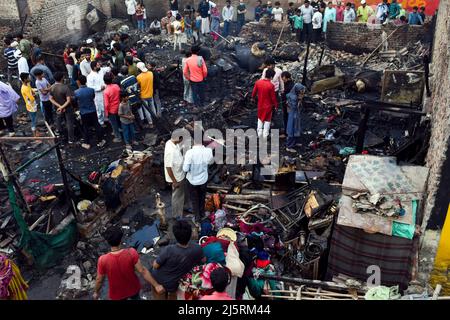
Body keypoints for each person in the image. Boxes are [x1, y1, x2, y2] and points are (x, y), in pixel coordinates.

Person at [94, 226, 163, 300]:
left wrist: (96, 292)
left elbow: (99, 280)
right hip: (133, 288)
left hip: (117, 294)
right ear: (121, 239)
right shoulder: (131, 252)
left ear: (108, 242)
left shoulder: (103, 260)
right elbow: (142, 271)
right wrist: (156, 285)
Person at [151, 219, 204, 299]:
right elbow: (203, 260)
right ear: (190, 234)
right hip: (174, 284)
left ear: (175, 235)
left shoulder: (169, 250)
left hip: (159, 281)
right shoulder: (197, 248)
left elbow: (155, 266)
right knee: (173, 296)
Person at [183, 137, 214, 221]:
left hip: (192, 181)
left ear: (194, 142)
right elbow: (210, 162)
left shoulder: (189, 153)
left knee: (194, 199)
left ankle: (197, 217)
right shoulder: (208, 151)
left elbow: (185, 169)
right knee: (202, 197)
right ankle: (202, 213)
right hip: (203, 180)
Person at [74, 75, 105, 149]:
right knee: (97, 125)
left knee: (86, 127)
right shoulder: (91, 90)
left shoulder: (76, 92)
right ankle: (100, 140)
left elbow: (75, 101)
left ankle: (87, 143)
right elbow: (93, 97)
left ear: (78, 82)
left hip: (84, 112)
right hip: (92, 110)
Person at [164, 134, 188, 219]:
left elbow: (178, 149)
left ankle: (180, 210)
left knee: (180, 195)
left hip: (179, 173)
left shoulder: (172, 143)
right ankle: (176, 215)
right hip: (177, 178)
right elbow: (168, 167)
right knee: (177, 196)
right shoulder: (171, 151)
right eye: (181, 139)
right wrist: (174, 181)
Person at [50, 72, 75, 143]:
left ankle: (59, 135)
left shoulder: (52, 87)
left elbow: (51, 98)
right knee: (69, 123)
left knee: (59, 120)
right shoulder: (65, 87)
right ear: (62, 78)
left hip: (58, 108)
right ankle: (71, 139)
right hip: (67, 108)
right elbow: (68, 100)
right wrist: (62, 107)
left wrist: (59, 106)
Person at [252, 68, 277, 139]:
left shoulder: (258, 82)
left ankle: (259, 134)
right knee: (267, 120)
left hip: (260, 104)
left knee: (260, 118)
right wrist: (275, 105)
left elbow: (253, 93)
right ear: (271, 77)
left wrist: (253, 98)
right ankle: (265, 135)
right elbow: (273, 98)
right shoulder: (271, 85)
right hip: (268, 106)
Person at [284, 74, 305, 153]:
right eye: (300, 92)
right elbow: (294, 106)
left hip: (295, 114)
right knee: (292, 129)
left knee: (296, 128)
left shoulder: (293, 94)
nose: (301, 94)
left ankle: (295, 142)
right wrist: (300, 100)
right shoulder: (293, 97)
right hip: (293, 115)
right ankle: (289, 146)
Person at [120, 67, 143, 131]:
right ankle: (141, 125)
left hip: (130, 100)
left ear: (121, 73)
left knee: (132, 115)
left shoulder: (122, 82)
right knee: (137, 113)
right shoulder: (133, 77)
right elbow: (137, 86)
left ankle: (137, 128)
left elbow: (124, 93)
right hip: (137, 97)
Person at [136, 62, 158, 128]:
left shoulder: (138, 77)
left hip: (143, 96)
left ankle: (150, 123)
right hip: (150, 94)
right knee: (152, 107)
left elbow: (138, 86)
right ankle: (155, 119)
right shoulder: (151, 73)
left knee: (147, 110)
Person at [103, 73, 122, 143]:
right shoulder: (116, 86)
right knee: (119, 121)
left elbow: (106, 104)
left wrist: (106, 112)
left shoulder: (106, 91)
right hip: (119, 107)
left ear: (104, 82)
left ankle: (118, 137)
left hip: (112, 110)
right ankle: (121, 131)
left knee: (114, 125)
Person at [87, 60, 107, 126]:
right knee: (99, 109)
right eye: (98, 65)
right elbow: (90, 87)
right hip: (97, 95)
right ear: (94, 67)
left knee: (105, 106)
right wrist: (99, 88)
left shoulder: (100, 71)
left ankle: (106, 118)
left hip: (104, 92)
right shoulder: (90, 76)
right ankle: (100, 122)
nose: (99, 66)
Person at [20, 73, 39, 137]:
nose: (29, 78)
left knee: (34, 118)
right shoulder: (25, 88)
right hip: (31, 106)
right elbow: (32, 99)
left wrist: (34, 92)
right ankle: (35, 136)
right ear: (25, 79)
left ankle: (36, 132)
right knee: (34, 120)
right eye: (28, 78)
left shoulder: (27, 85)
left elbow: (31, 90)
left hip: (31, 105)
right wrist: (36, 95)